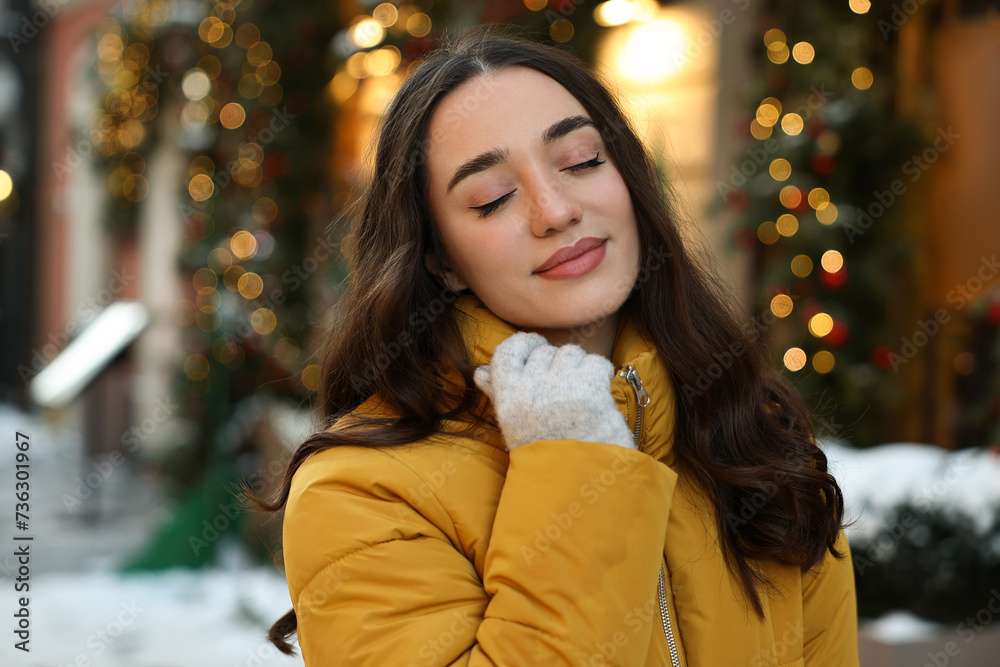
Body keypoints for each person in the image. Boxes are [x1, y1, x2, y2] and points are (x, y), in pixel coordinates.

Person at [248, 29, 859, 666]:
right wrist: (575, 461)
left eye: (580, 161)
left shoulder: (747, 433)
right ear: (440, 258)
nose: (554, 210)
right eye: (493, 198)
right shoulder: (360, 493)